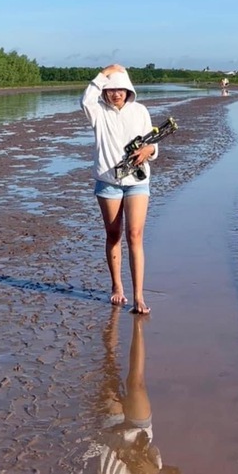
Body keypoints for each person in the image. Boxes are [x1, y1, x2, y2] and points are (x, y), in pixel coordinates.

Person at [81, 64, 158, 314]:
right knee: (113, 234)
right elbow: (85, 99)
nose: (116, 94)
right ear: (105, 91)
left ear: (128, 91)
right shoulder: (97, 112)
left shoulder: (140, 111)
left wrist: (149, 150)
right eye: (111, 89)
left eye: (121, 89)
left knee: (135, 234)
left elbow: (152, 145)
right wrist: (104, 73)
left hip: (137, 181)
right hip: (108, 182)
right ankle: (117, 287)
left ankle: (138, 296)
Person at [81, 309, 180, 473]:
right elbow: (172, 470)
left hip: (111, 436)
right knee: (136, 383)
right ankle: (138, 324)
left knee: (110, 373)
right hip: (138, 433)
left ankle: (110, 347)